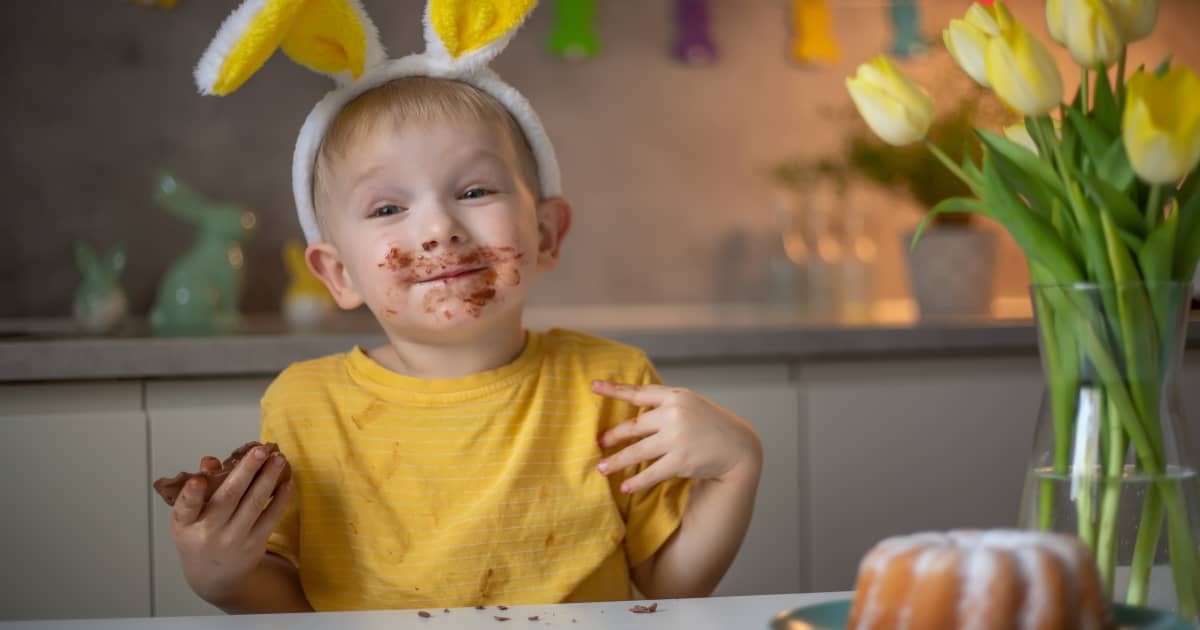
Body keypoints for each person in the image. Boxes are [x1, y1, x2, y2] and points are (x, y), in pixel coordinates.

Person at [166, 0, 762, 613]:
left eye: (474, 191)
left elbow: (671, 586)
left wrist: (737, 465)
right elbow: (295, 605)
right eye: (387, 208)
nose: (438, 228)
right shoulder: (304, 405)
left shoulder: (612, 386)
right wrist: (222, 578)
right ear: (338, 275)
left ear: (546, 233)